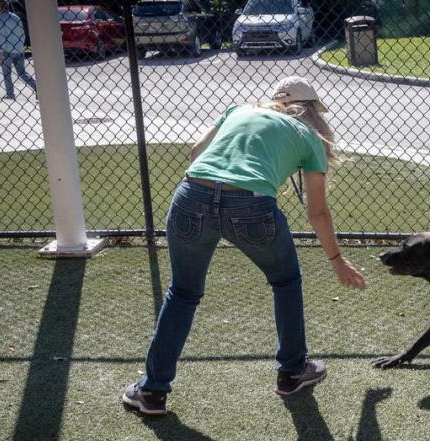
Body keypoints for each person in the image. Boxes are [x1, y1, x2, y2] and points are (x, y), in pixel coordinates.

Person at [123, 77, 367, 416]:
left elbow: (196, 153)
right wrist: (337, 259)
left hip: (191, 195)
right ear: (311, 110)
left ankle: (152, 391)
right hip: (251, 206)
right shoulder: (310, 137)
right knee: (285, 282)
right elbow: (317, 212)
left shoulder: (239, 111)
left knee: (183, 293)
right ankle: (292, 372)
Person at [0, 0, 36, 100]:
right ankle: (37, 88)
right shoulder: (16, 17)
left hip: (7, 49)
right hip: (19, 48)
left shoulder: (0, 19)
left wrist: (0, 51)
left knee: (7, 73)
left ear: (0, 7)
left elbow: (2, 36)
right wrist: (21, 46)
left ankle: (10, 94)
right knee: (22, 73)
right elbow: (22, 33)